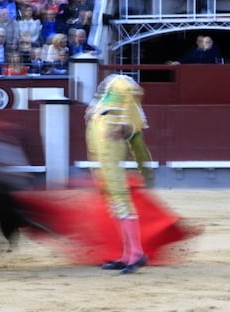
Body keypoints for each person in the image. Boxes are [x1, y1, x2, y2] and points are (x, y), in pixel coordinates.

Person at [85, 74, 153, 274]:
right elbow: (139, 147)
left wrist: (119, 123)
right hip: (102, 158)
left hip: (109, 155)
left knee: (120, 199)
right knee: (114, 201)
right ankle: (127, 254)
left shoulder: (119, 85)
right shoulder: (105, 105)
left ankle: (136, 253)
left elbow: (131, 89)